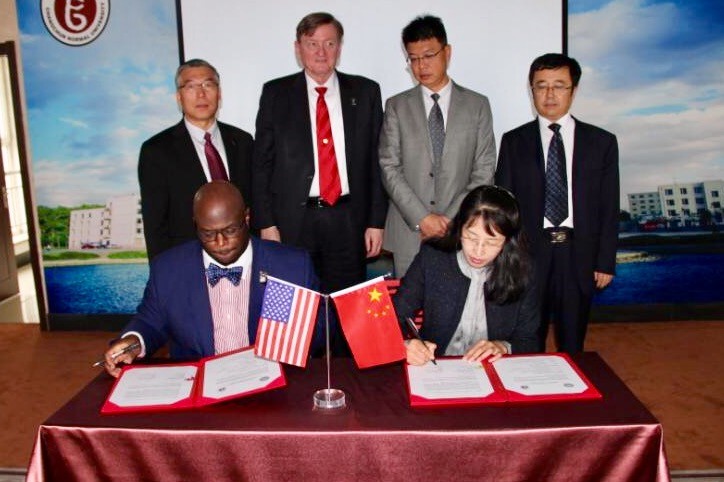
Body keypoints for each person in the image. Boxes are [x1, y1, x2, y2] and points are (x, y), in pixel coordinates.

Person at [252, 12, 386, 353]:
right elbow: (261, 166)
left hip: (348, 219)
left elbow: (376, 161)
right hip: (293, 222)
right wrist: (266, 223)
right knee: (293, 310)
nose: (321, 52)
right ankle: (294, 380)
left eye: (329, 43)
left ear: (339, 47)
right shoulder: (275, 93)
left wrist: (375, 221)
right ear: (299, 49)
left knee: (348, 309)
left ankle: (347, 378)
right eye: (312, 44)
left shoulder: (366, 92)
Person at [102, 181, 319, 377]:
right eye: (208, 234)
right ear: (195, 224)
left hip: (271, 382)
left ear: (246, 217)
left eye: (231, 230)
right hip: (198, 383)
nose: (221, 242)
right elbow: (150, 322)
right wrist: (133, 342)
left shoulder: (289, 266)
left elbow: (319, 334)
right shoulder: (169, 269)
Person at [495, 53, 619, 354]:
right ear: (531, 90)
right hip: (530, 255)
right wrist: (507, 259)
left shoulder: (601, 142)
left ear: (573, 90)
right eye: (541, 86)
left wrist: (605, 261)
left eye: (559, 86)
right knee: (528, 337)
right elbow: (503, 205)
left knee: (573, 340)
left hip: (579, 254)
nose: (550, 94)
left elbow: (608, 205)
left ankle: (571, 395)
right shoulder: (514, 141)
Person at [379, 15, 497, 278]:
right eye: (413, 58)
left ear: (447, 52)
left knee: (455, 314)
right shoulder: (396, 106)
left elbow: (484, 170)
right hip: (410, 233)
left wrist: (450, 218)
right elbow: (389, 167)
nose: (421, 65)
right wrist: (423, 218)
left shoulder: (477, 105)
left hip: (461, 231)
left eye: (429, 55)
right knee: (410, 313)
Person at [393, 185, 540, 366]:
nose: (478, 251)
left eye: (491, 242)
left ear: (508, 242)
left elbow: (530, 340)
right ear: (459, 228)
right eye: (471, 237)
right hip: (436, 366)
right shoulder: (432, 259)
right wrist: (406, 345)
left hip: (493, 371)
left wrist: (503, 347)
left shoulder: (523, 270)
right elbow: (394, 318)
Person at [139, 58, 253, 259]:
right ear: (179, 97)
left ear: (219, 93)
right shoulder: (156, 151)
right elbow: (155, 227)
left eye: (208, 85)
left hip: (246, 258)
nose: (201, 94)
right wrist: (166, 277)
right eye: (191, 86)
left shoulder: (243, 141)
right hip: (188, 263)